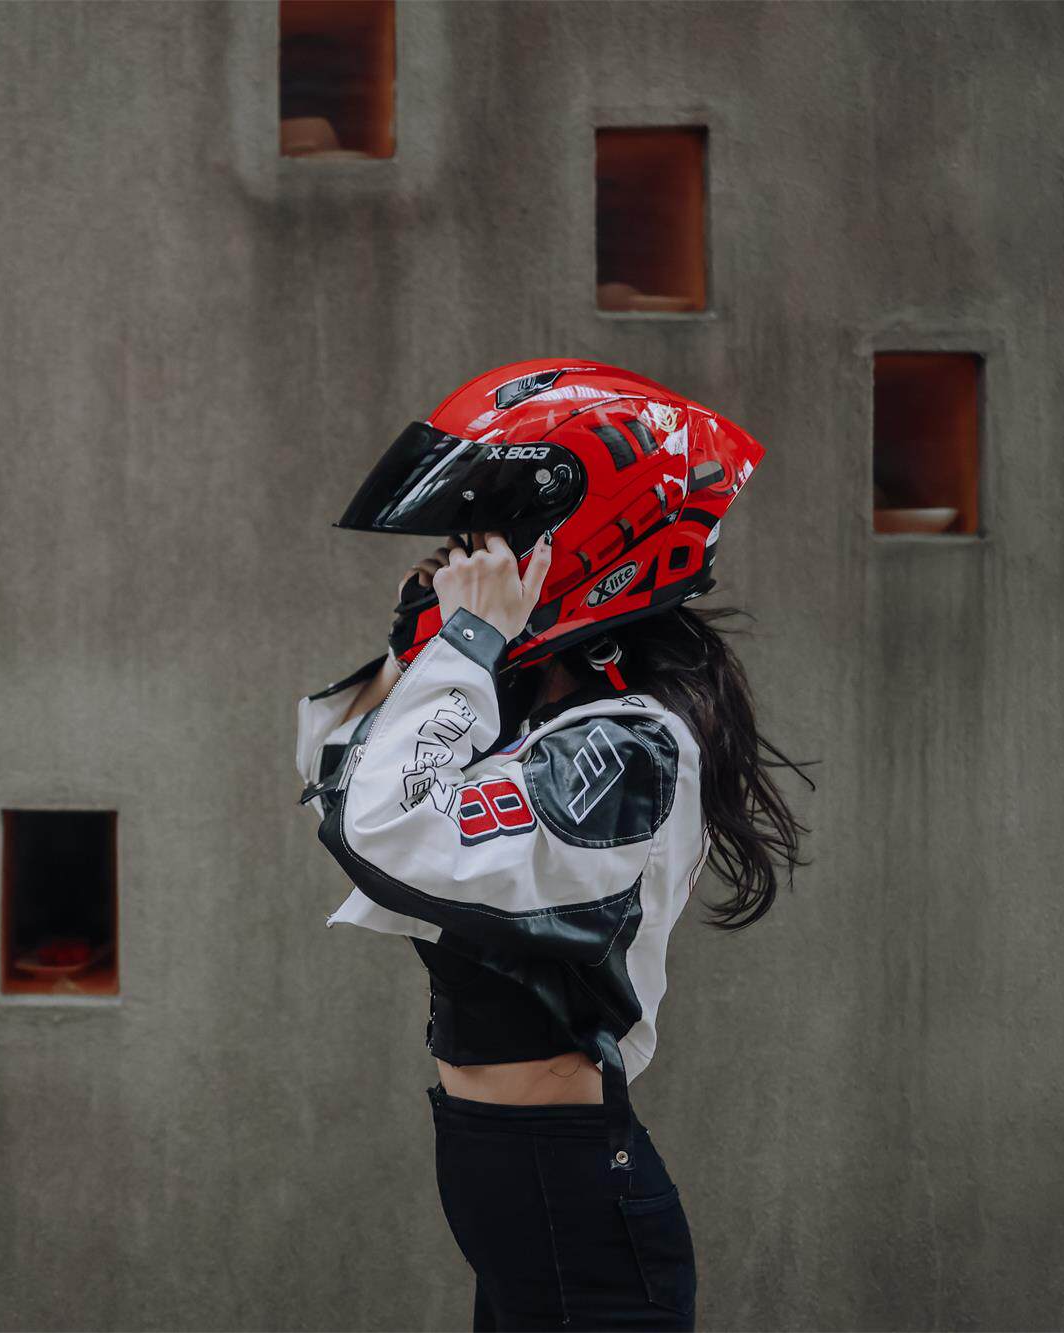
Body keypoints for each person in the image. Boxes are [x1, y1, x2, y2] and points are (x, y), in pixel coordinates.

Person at [295, 359, 810, 1331]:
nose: (456, 563)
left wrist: (462, 646)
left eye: (481, 539)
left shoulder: (632, 746)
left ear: (582, 536)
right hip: (515, 1189)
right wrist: (429, 646)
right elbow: (337, 776)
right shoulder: (536, 706)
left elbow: (386, 828)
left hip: (575, 1207)